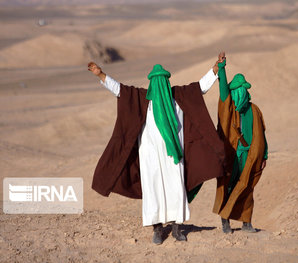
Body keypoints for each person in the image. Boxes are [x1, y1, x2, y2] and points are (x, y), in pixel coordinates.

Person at [88, 58, 225, 244]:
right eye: (156, 81)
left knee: (175, 188)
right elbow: (119, 89)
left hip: (174, 156)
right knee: (153, 190)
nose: (160, 85)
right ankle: (158, 229)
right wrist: (101, 75)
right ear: (152, 83)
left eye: (163, 81)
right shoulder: (142, 100)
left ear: (167, 82)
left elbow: (200, 87)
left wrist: (215, 70)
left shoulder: (178, 97)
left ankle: (177, 228)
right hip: (150, 157)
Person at [212, 52, 268, 234]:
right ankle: (225, 221)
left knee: (247, 186)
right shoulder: (229, 108)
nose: (240, 94)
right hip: (231, 155)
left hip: (250, 156)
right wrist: (221, 68)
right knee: (228, 185)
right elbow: (223, 92)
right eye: (237, 91)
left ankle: (246, 222)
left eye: (242, 90)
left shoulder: (254, 109)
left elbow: (262, 135)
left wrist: (264, 154)